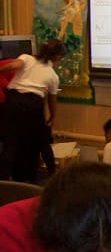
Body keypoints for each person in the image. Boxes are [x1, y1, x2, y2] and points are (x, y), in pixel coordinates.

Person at [0, 39, 65, 182]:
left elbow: (12, 65)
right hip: (33, 104)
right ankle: (52, 173)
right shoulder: (53, 75)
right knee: (42, 140)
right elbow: (52, 100)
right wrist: (52, 118)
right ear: (58, 57)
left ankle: (3, 181)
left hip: (13, 101)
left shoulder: (27, 58)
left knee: (10, 142)